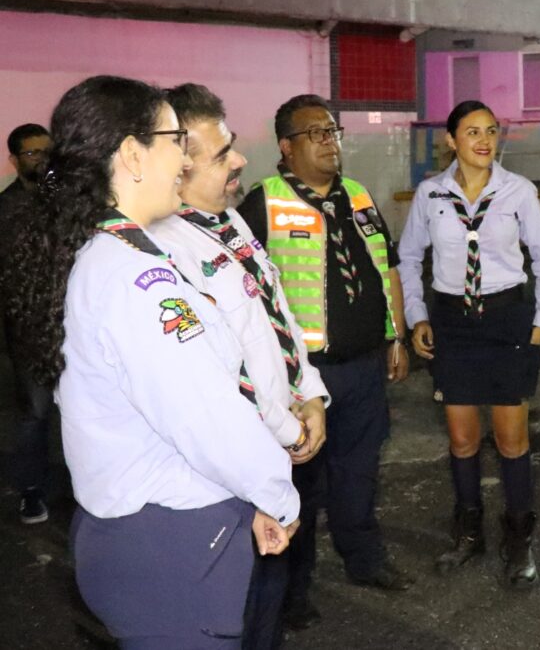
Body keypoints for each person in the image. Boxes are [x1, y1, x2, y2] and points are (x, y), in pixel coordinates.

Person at [6, 75, 299, 648]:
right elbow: (207, 416)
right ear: (133, 155)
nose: (184, 160)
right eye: (174, 140)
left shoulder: (114, 250)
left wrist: (251, 498)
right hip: (170, 545)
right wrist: (276, 493)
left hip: (153, 528)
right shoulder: (137, 278)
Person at [147, 83, 329, 650]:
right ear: (175, 170)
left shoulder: (226, 223)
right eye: (222, 153)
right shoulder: (163, 251)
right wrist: (287, 426)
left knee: (267, 600)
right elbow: (219, 374)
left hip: (273, 449)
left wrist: (311, 392)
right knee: (232, 611)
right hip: (227, 469)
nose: (241, 159)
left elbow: (277, 320)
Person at [239, 93, 411, 630]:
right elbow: (242, 294)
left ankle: (365, 560)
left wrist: (396, 336)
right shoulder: (261, 204)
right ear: (286, 147)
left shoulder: (358, 196)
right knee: (300, 484)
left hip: (363, 368)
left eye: (332, 131)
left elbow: (389, 266)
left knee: (358, 473)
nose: (330, 141)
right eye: (316, 133)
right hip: (302, 380)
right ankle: (292, 588)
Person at [398, 100, 540, 587]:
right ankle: (468, 533)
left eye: (491, 130)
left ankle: (519, 537)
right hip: (453, 323)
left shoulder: (518, 192)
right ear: (451, 140)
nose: (484, 140)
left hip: (508, 320)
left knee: (512, 441)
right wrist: (417, 316)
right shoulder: (430, 195)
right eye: (472, 132)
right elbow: (408, 259)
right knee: (463, 439)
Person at [0, 122, 53, 524]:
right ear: (15, 160)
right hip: (30, 332)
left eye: (46, 151)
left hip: (76, 327)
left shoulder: (68, 202)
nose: (41, 159)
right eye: (32, 153)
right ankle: (31, 490)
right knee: (34, 413)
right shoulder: (5, 210)